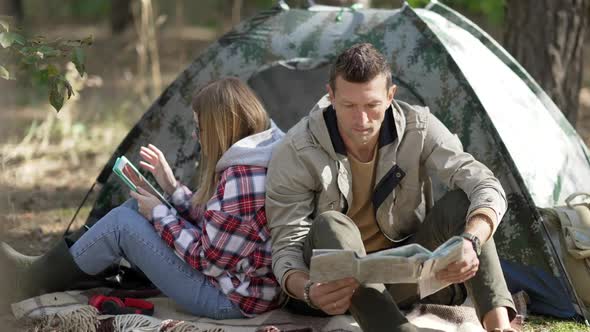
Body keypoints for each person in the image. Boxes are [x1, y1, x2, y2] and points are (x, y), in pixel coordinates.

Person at [265, 43, 517, 332]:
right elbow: (286, 247)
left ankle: (500, 325)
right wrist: (308, 290)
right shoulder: (297, 149)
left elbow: (483, 183)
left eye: (372, 106)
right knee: (331, 224)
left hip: (401, 275)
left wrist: (471, 242)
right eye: (349, 106)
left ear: (390, 96)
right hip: (331, 287)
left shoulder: (418, 127)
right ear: (331, 96)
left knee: (464, 204)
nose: (361, 120)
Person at [0, 77, 284, 319]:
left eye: (200, 129)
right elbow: (222, 226)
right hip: (238, 284)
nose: (197, 138)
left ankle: (32, 280)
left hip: (230, 299)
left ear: (222, 129)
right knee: (134, 208)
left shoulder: (242, 179)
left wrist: (161, 213)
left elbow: (206, 259)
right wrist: (171, 188)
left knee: (123, 224)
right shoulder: (260, 155)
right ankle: (57, 271)